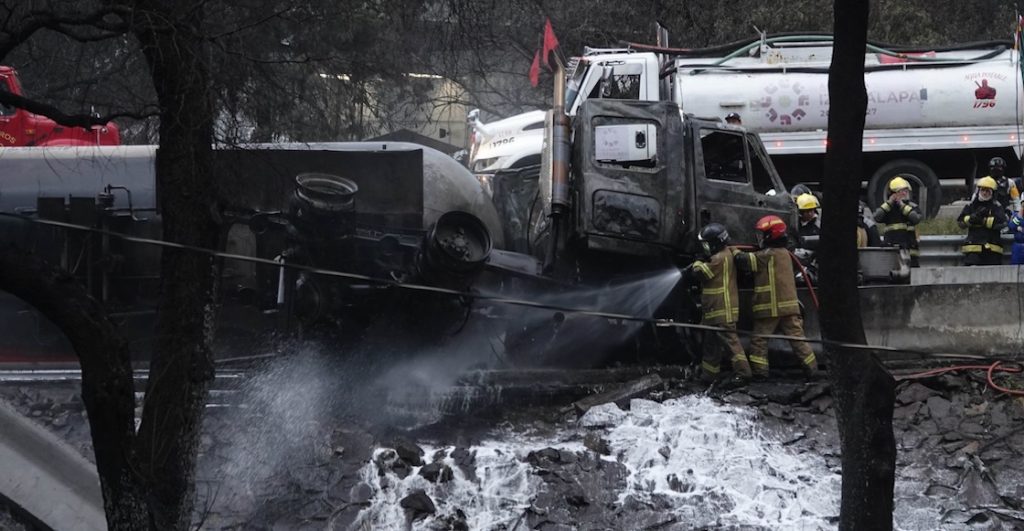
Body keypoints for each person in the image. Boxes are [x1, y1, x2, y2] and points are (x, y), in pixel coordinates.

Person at [735, 215, 819, 379]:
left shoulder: (766, 255)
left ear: (770, 236)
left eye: (762, 234)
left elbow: (744, 261)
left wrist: (734, 250)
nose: (759, 238)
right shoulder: (785, 253)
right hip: (789, 307)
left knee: (759, 341)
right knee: (798, 340)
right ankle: (813, 371)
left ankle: (760, 374)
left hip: (770, 308)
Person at [685, 223, 752, 384]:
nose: (705, 248)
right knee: (711, 345)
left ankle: (744, 373)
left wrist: (697, 263)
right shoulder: (727, 253)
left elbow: (702, 273)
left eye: (707, 244)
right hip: (714, 311)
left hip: (722, 310)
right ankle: (709, 375)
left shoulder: (719, 258)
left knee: (731, 343)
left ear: (716, 243)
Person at [873, 176, 923, 266]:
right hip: (891, 249)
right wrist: (889, 203)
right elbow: (877, 217)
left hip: (909, 249)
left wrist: (902, 206)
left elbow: (916, 219)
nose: (906, 193)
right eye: (903, 191)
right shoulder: (888, 208)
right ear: (895, 193)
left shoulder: (911, 207)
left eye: (906, 191)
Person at [958, 176, 1007, 265]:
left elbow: (1002, 223)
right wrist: (970, 219)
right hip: (973, 249)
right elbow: (960, 222)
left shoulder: (996, 207)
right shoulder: (971, 206)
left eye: (988, 191)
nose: (985, 193)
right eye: (983, 190)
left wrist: (984, 221)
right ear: (978, 191)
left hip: (993, 249)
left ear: (993, 193)